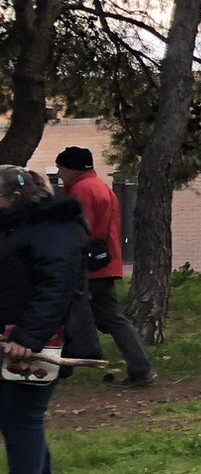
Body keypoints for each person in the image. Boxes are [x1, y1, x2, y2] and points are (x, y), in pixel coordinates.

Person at [0, 167, 85, 474]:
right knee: (16, 414)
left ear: (15, 197)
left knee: (21, 414)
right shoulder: (16, 228)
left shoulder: (54, 229)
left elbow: (56, 287)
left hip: (44, 339)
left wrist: (29, 337)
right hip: (14, 335)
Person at [51, 148, 154, 387]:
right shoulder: (101, 186)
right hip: (106, 262)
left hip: (88, 267)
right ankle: (140, 367)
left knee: (65, 310)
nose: (59, 173)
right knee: (110, 318)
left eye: (61, 168)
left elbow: (77, 230)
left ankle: (59, 369)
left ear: (71, 169)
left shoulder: (80, 190)